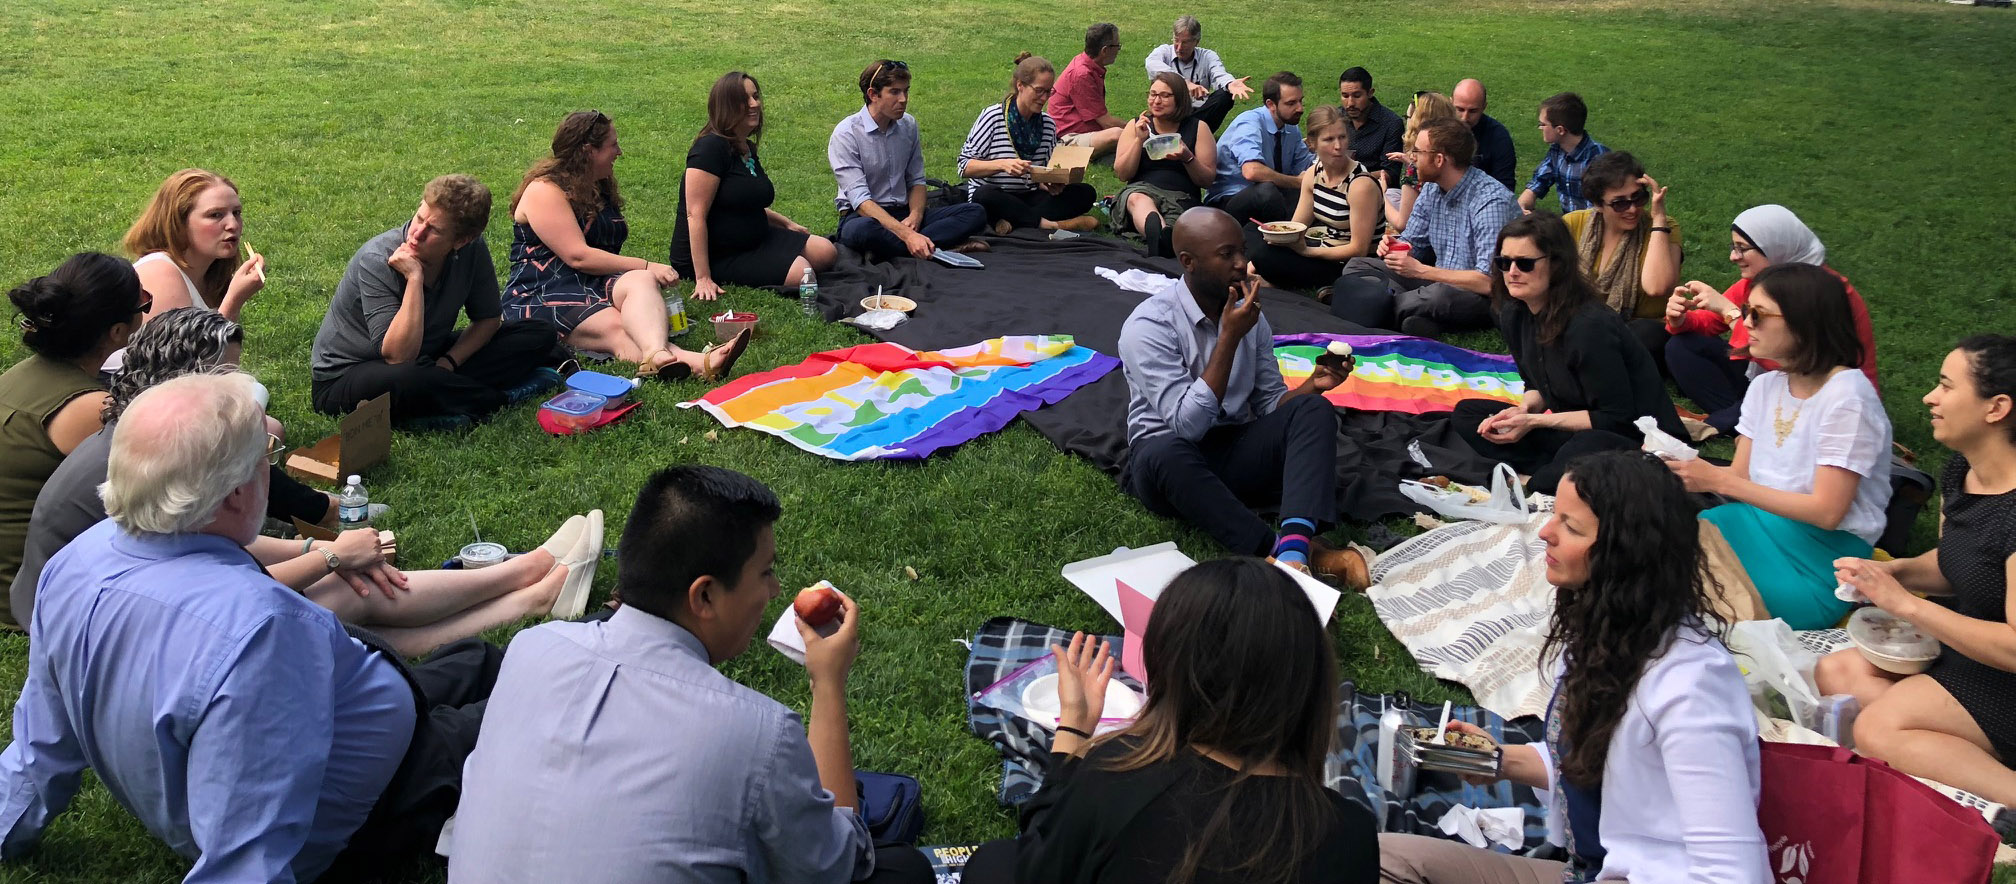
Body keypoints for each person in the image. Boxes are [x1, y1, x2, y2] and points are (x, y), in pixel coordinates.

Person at [0, 372, 503, 881]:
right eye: (268, 461)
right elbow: (249, 854)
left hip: (341, 715)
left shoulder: (73, 563)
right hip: (381, 796)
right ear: (239, 494)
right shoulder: (259, 631)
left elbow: (38, 747)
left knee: (478, 660)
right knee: (527, 693)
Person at [448, 465, 933, 883]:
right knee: (902, 870)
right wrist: (828, 684)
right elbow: (839, 864)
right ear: (704, 596)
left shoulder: (533, 648)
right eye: (765, 572)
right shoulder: (756, 733)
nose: (775, 589)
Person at [15, 308, 599, 651]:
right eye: (226, 375)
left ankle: (527, 586)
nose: (238, 390)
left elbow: (211, 544)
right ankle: (528, 581)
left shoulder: (147, 435)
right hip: (107, 629)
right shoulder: (158, 456)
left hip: (122, 611)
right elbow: (227, 575)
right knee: (340, 600)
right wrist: (329, 558)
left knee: (344, 609)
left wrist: (324, 548)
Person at [1381, 451, 1769, 884]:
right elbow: (1598, 767)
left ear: (1625, 553)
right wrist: (1495, 760)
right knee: (1383, 857)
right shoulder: (1610, 635)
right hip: (1583, 869)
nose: (1545, 532)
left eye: (1571, 526)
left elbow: (1734, 874)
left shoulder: (1690, 690)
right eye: (1555, 516)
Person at [960, 559, 1381, 884]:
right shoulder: (1352, 835)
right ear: (1310, 678)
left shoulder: (1117, 775)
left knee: (991, 864)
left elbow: (1041, 866)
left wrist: (1072, 732)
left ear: (1172, 671)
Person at [1117, 207, 1369, 587]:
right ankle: (1279, 553)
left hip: (1233, 447)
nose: (1242, 264)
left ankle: (1295, 550)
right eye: (1226, 255)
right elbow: (1187, 425)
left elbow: (1270, 405)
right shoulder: (1148, 327)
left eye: (1242, 251)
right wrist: (1228, 338)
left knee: (1313, 408)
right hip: (1172, 462)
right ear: (1189, 262)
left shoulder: (1250, 318)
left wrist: (1311, 386)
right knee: (1166, 454)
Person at [1816, 335, 2016, 805]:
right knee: (1835, 671)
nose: (1930, 397)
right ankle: (1951, 752)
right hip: (1968, 649)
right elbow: (1957, 564)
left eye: (1946, 386)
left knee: (1878, 728)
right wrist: (1894, 573)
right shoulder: (1961, 473)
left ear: (1996, 407)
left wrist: (1903, 603)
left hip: (2006, 675)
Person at [1666, 263, 1893, 630]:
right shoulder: (1766, 386)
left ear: (1804, 322)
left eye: (1757, 314)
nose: (1745, 323)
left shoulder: (1848, 397)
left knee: (1687, 589)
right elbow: (1741, 477)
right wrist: (1680, 469)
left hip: (1822, 560)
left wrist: (1717, 481)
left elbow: (1827, 512)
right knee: (1662, 548)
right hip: (1755, 521)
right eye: (1744, 312)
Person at [1444, 213, 1684, 494]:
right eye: (1503, 262)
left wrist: (1535, 421)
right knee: (1468, 414)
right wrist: (1522, 411)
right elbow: (1537, 385)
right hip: (1573, 430)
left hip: (1634, 439)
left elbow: (1615, 418)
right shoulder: (1513, 312)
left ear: (1557, 265)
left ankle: (1536, 481)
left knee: (1581, 452)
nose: (1512, 272)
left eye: (1525, 263)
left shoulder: (1589, 327)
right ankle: (1549, 471)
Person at [505, 111, 746, 382]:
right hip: (544, 291)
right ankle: (701, 363)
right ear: (588, 150)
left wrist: (643, 271)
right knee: (617, 325)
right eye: (612, 145)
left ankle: (655, 353)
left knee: (640, 280)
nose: (619, 152)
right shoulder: (544, 190)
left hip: (593, 281)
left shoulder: (597, 186)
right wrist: (645, 264)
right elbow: (577, 256)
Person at [312, 174, 566, 424]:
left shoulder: (472, 249)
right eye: (419, 218)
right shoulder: (377, 259)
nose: (417, 233)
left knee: (538, 333)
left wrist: (449, 362)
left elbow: (488, 319)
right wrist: (414, 278)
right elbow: (398, 356)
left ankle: (448, 392)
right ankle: (495, 399)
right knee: (412, 378)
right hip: (351, 374)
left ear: (461, 241)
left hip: (428, 356)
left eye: (433, 230)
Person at [0, 254, 141, 628]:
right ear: (117, 332)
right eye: (144, 305)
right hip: (27, 593)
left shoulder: (20, 375)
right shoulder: (90, 408)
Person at [1663, 204, 1877, 436]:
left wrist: (1730, 312)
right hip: (1773, 377)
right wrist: (1680, 318)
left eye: (1742, 248)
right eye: (1733, 247)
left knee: (1771, 386)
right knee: (1682, 347)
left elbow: (1786, 360)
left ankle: (1741, 420)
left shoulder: (1820, 292)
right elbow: (1710, 321)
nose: (1733, 257)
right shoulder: (1761, 280)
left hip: (1817, 393)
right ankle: (1746, 417)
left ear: (1775, 247)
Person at [1329, 118, 1520, 337]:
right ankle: (1412, 316)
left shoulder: (1490, 203)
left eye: (1418, 152)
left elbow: (1490, 283)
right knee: (1357, 265)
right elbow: (1413, 243)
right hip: (1435, 280)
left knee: (1439, 295)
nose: (1412, 158)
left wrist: (1420, 270)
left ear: (1439, 160)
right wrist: (1394, 247)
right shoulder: (1431, 189)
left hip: (1478, 294)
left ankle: (1368, 305)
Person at [673, 71, 837, 301]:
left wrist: (784, 223)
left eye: (755, 96)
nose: (755, 104)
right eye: (745, 99)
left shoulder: (745, 147)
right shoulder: (709, 149)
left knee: (826, 251)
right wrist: (703, 277)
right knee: (804, 273)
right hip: (718, 252)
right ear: (726, 107)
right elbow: (695, 214)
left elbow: (743, 202)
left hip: (754, 237)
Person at [831, 60, 990, 261]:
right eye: (895, 92)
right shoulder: (846, 134)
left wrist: (915, 217)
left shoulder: (908, 125)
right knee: (863, 231)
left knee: (975, 213)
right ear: (873, 94)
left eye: (906, 91)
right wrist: (907, 235)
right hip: (864, 217)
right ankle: (935, 248)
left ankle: (898, 250)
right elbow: (861, 201)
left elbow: (916, 180)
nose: (904, 99)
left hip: (905, 214)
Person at [1561, 151, 1682, 365]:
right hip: (1586, 322)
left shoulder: (1663, 227)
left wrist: (1659, 218)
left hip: (1639, 327)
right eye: (1619, 203)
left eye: (1639, 197)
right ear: (1598, 204)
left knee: (1644, 333)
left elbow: (1657, 287)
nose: (1633, 209)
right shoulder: (1573, 224)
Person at [957, 54, 1100, 234]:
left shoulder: (1047, 124)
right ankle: (1051, 225)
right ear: (1020, 86)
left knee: (1085, 192)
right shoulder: (992, 117)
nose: (1044, 98)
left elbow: (1041, 174)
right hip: (996, 195)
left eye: (1049, 92)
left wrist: (1051, 182)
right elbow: (964, 167)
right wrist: (1002, 165)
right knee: (984, 195)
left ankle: (1013, 221)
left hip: (1028, 196)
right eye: (1039, 91)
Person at [1243, 105, 1381, 291]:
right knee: (1254, 236)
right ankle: (1263, 277)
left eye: (1342, 137)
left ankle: (1275, 282)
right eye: (1329, 140)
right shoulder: (1313, 174)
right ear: (1312, 143)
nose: (1338, 146)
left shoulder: (1360, 185)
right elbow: (1297, 227)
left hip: (1350, 265)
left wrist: (1308, 252)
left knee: (1265, 256)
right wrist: (1275, 242)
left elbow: (1359, 249)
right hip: (1321, 247)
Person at [1111, 72, 1218, 258]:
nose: (1156, 101)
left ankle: (1163, 238)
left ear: (1180, 99)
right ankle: (1160, 237)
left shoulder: (1198, 128)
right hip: (1141, 190)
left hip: (1180, 196)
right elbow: (1122, 173)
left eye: (1165, 96)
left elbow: (1207, 180)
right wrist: (1138, 141)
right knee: (1138, 199)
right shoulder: (1136, 125)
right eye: (1153, 94)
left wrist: (1188, 157)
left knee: (1177, 224)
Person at [1205, 72, 1313, 224]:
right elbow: (1252, 171)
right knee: (1267, 191)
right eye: (1291, 103)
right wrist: (1297, 182)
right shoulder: (1249, 123)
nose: (1300, 108)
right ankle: (1285, 237)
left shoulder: (1290, 128)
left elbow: (1307, 167)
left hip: (1273, 198)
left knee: (1313, 193)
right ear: (1271, 105)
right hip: (1228, 202)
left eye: (1300, 101)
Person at [1143, 15, 1252, 133]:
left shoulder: (1207, 56)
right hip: (1171, 111)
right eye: (1176, 40)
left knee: (1225, 96)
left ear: (1196, 42)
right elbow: (1151, 64)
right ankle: (1191, 134)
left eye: (1185, 42)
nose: (1179, 47)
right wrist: (1184, 83)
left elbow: (1219, 73)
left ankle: (1190, 131)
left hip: (1200, 113)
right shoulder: (1164, 52)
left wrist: (1230, 83)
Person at [1519, 92, 1610, 214]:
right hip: (1570, 224)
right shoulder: (1557, 150)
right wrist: (1522, 206)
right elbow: (1539, 181)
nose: (1540, 128)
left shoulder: (1598, 158)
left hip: (1592, 225)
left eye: (1543, 124)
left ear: (1560, 130)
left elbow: (1597, 209)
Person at [1380, 91, 1458, 232]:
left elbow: (1402, 224)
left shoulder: (1415, 171)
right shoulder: (1457, 157)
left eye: (1408, 117)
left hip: (1424, 238)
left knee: (1389, 195)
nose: (1406, 121)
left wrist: (1380, 195)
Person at [1048, 24, 1126, 157]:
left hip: (1080, 134)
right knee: (1117, 135)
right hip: (1066, 140)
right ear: (1105, 50)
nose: (1118, 50)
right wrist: (1135, 128)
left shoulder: (1087, 65)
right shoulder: (1082, 74)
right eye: (1117, 46)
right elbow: (1106, 123)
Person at [1336, 67, 1404, 188]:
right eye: (1345, 96)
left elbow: (1390, 173)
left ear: (1370, 93)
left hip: (1377, 190)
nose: (1350, 103)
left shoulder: (1391, 124)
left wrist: (1353, 181)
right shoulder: (1336, 118)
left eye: (1357, 96)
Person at [1451, 79, 1516, 191]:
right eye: (1460, 109)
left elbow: (1505, 187)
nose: (1465, 117)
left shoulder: (1498, 138)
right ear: (1451, 103)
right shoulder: (1438, 130)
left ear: (1484, 107)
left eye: (1472, 111)